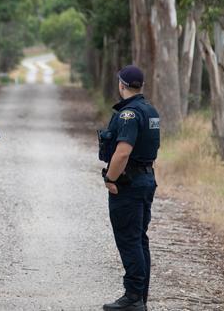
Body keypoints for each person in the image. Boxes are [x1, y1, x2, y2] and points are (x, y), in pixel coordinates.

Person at [99, 65, 160, 311]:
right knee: (139, 239)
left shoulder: (128, 114)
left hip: (129, 183)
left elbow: (123, 151)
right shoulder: (150, 110)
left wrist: (110, 178)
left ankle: (133, 297)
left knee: (129, 239)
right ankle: (140, 295)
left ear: (122, 85)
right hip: (146, 178)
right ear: (141, 86)